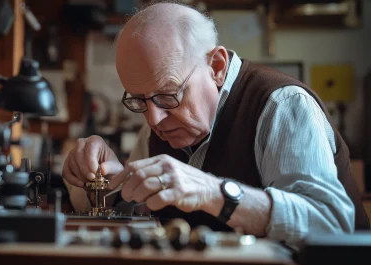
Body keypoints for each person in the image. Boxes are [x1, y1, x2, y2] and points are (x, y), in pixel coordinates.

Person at [62, 1, 369, 247]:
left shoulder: (282, 105)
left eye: (168, 95)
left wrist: (215, 192)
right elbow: (129, 213)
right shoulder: (162, 118)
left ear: (217, 67)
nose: (153, 118)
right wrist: (107, 180)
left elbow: (331, 224)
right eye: (139, 100)